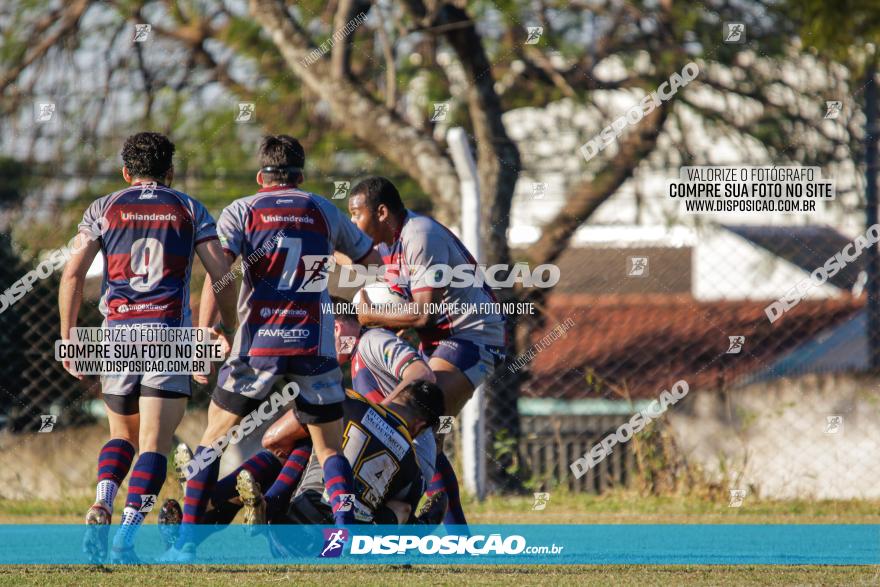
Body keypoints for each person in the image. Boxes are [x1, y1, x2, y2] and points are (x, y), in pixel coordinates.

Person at [164, 135, 381, 561]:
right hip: (313, 346)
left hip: (257, 346)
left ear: (261, 175)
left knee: (212, 441)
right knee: (328, 449)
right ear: (301, 176)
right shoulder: (322, 208)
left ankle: (187, 547)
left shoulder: (242, 210)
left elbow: (217, 270)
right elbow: (369, 260)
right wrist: (328, 281)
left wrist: (208, 329)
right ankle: (346, 538)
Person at [58, 132, 237, 563]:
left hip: (117, 333)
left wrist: (67, 337)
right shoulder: (188, 208)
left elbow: (72, 275)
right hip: (168, 335)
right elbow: (220, 272)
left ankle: (102, 500)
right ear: (170, 173)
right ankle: (124, 539)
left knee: (120, 435)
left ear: (126, 173)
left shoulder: (104, 207)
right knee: (154, 445)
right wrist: (227, 327)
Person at [348, 177, 506, 421]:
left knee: (416, 416)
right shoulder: (386, 242)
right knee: (414, 432)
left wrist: (372, 316)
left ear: (381, 212)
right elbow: (349, 257)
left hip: (472, 336)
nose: (352, 222)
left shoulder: (420, 236)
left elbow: (424, 314)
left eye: (356, 214)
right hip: (435, 340)